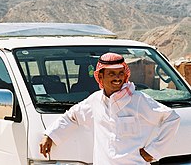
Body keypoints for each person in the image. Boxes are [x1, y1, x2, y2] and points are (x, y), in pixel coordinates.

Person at [39, 52, 180, 164]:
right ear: (100, 76)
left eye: (120, 73)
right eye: (111, 74)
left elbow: (172, 118)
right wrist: (50, 135)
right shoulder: (95, 100)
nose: (117, 78)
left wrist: (153, 151)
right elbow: (72, 116)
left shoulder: (137, 99)